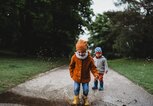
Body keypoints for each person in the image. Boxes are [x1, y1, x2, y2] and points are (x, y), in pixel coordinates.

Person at [69, 39, 99, 105]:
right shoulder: (74, 57)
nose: (81, 53)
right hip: (76, 77)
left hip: (86, 78)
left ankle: (85, 98)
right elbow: (71, 66)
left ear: (85, 50)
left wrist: (96, 74)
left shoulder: (89, 58)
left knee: (86, 89)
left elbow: (93, 68)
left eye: (82, 52)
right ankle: (76, 98)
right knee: (76, 88)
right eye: (79, 52)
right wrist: (72, 74)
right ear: (77, 50)